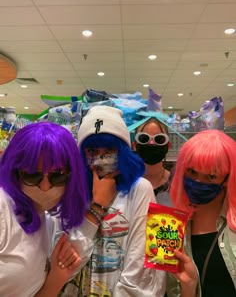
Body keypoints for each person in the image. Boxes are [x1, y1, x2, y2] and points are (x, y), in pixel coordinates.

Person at [59, 105, 198, 297]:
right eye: (92, 150)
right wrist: (97, 207)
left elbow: (139, 266)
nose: (101, 157)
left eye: (109, 149)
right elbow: (64, 266)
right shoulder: (71, 190)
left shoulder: (140, 189)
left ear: (123, 150)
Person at [0, 121, 89, 297]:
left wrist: (57, 275)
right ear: (15, 172)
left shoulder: (44, 220)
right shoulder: (3, 209)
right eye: (32, 175)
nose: (45, 187)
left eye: (58, 176)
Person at [167, 129, 236, 297]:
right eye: (192, 172)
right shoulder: (171, 228)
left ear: (228, 178)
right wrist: (189, 287)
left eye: (211, 176)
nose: (198, 181)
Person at [133, 117, 172, 206]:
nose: (151, 143)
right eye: (144, 138)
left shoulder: (178, 185)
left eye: (159, 139)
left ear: (168, 145)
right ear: (134, 145)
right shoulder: (125, 183)